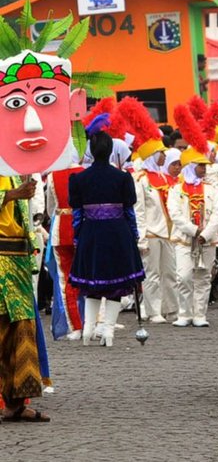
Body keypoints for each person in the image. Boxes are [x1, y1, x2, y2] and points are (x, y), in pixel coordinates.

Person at [68, 131, 145, 347]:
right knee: (117, 283)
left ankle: (88, 330)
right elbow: (130, 211)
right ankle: (108, 331)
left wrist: (78, 238)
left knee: (92, 283)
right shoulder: (122, 178)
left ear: (91, 150)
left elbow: (77, 215)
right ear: (111, 150)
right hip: (118, 233)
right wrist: (134, 235)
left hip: (90, 233)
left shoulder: (78, 179)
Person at [0, 176, 50, 421]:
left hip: (18, 257)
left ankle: (16, 403)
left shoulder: (13, 169)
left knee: (23, 328)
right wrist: (10, 195)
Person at [167, 146, 218, 327]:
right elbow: (174, 214)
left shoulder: (211, 189)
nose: (204, 169)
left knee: (204, 276)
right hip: (184, 240)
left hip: (206, 241)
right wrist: (193, 230)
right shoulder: (176, 189)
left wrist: (205, 234)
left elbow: (217, 214)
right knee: (183, 276)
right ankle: (184, 313)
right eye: (200, 165)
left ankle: (200, 314)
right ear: (191, 166)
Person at [134, 145, 180, 325]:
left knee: (170, 272)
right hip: (152, 233)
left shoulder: (163, 177)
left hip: (168, 233)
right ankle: (153, 311)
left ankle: (171, 309)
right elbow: (139, 211)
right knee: (151, 274)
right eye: (161, 152)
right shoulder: (141, 180)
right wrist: (142, 238)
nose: (164, 155)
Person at [46, 161, 85, 340]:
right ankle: (95, 323)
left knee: (66, 281)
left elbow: (50, 209)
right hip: (83, 229)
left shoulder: (53, 175)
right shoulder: (85, 172)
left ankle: (75, 326)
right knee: (92, 277)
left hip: (61, 231)